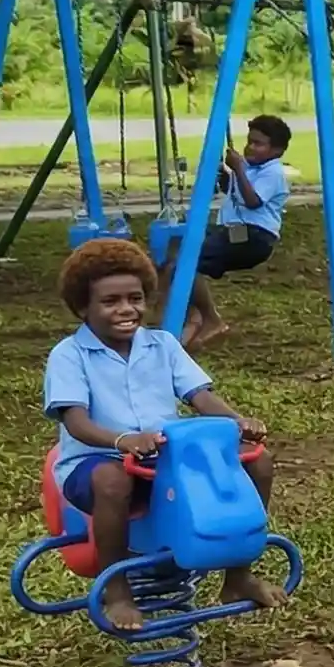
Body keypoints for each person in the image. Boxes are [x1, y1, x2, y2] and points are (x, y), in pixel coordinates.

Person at [44, 238, 283, 633]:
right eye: (110, 301)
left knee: (257, 461)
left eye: (135, 298)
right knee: (111, 479)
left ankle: (238, 574)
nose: (126, 309)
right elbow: (75, 422)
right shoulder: (70, 354)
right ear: (83, 307)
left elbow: (200, 397)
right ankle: (117, 588)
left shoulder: (162, 345)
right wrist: (123, 441)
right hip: (96, 460)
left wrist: (239, 421)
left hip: (162, 458)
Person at [161, 114, 291, 349]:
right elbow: (236, 191)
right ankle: (193, 313)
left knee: (186, 261)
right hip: (233, 230)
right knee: (174, 246)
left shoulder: (273, 173)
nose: (250, 147)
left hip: (254, 237)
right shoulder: (252, 168)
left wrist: (238, 169)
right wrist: (224, 174)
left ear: (277, 151)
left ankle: (209, 318)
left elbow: (252, 201)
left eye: (258, 144)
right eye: (249, 141)